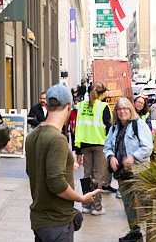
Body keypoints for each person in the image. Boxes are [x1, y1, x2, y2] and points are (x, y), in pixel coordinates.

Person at [26, 84, 100, 241]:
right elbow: (56, 184)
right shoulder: (57, 139)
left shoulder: (33, 136)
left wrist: (65, 166)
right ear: (70, 106)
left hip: (40, 220)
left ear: (46, 105)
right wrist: (81, 198)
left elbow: (35, 170)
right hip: (57, 222)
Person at [103, 97, 153, 242]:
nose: (122, 111)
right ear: (116, 111)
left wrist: (133, 157)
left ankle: (153, 232)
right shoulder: (114, 128)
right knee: (128, 204)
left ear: (130, 110)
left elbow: (147, 147)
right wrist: (111, 156)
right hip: (122, 174)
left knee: (145, 204)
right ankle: (135, 233)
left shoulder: (139, 125)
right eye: (119, 109)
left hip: (139, 172)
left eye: (125, 108)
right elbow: (107, 147)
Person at [74, 82, 112, 215]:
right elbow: (109, 128)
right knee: (98, 176)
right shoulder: (103, 106)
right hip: (99, 144)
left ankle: (86, 205)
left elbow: (77, 127)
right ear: (102, 94)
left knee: (87, 175)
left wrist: (77, 149)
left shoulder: (81, 105)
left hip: (84, 145)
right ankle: (97, 207)